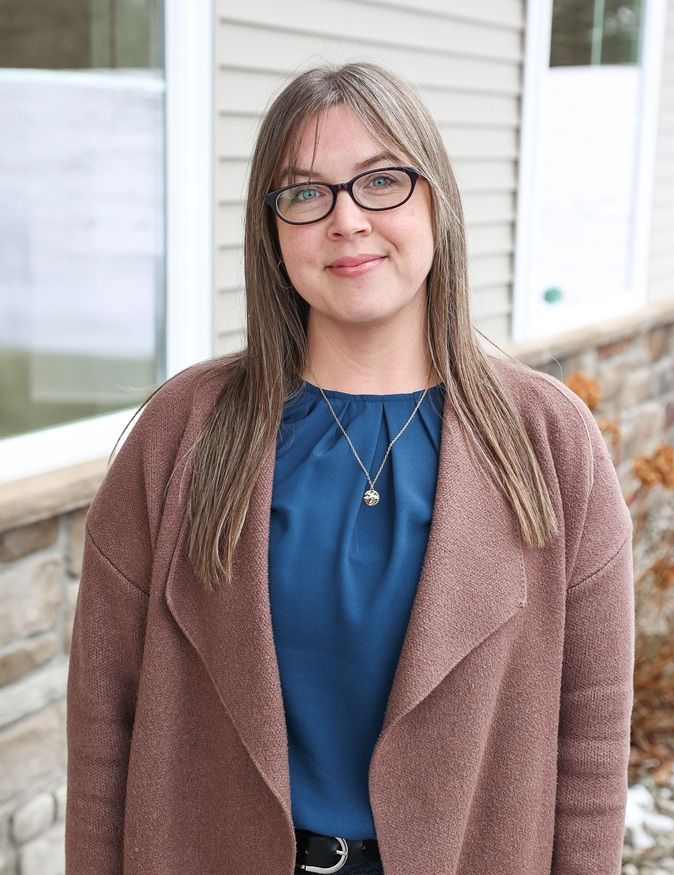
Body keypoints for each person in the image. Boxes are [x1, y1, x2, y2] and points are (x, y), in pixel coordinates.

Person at [65, 61, 635, 875]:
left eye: (381, 182)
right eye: (305, 193)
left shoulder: (549, 440)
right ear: (273, 230)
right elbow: (103, 727)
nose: (346, 221)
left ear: (437, 201)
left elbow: (591, 738)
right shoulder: (180, 435)